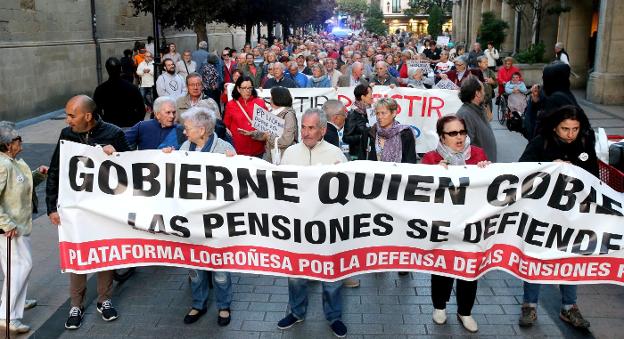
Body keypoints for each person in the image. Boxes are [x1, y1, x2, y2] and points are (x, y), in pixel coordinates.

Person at [46, 95, 129, 330]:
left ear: (88, 116)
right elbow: (56, 170)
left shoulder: (113, 133)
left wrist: (118, 154)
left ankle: (104, 300)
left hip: (105, 208)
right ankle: (76, 304)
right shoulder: (67, 135)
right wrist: (51, 206)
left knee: (104, 252)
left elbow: (133, 168)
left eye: (71, 115)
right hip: (75, 208)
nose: (67, 120)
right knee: (76, 253)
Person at [517, 105, 596, 330]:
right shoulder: (541, 142)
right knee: (536, 257)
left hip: (572, 217)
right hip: (542, 214)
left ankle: (569, 307)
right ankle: (529, 305)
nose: (570, 134)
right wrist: (549, 167)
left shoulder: (583, 144)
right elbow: (522, 169)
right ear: (555, 128)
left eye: (575, 128)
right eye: (565, 129)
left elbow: (593, 178)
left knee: (570, 259)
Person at [277, 108, 348, 337]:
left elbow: (348, 191)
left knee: (331, 276)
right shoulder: (289, 154)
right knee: (296, 274)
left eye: (311, 128)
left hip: (328, 227)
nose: (306, 133)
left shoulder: (336, 154)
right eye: (303, 127)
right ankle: (296, 312)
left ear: (323, 130)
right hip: (297, 227)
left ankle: (334, 316)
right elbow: (278, 188)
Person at [162, 107, 235, 327]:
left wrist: (234, 162)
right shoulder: (185, 147)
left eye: (187, 128)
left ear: (201, 130)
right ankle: (199, 303)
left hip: (217, 220)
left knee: (220, 267)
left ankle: (224, 306)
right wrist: (166, 158)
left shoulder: (225, 149)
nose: (184, 132)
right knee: (195, 264)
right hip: (191, 220)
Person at [421, 115, 490, 334]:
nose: (459, 137)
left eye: (462, 132)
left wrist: (486, 170)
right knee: (442, 267)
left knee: (469, 268)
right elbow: (418, 190)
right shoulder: (431, 158)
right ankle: (439, 307)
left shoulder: (478, 154)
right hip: (443, 225)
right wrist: (433, 174)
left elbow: (491, 186)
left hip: (471, 225)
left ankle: (465, 311)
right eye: (453, 133)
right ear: (442, 137)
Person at [0, 123, 47, 333]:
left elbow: (19, 187)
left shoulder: (13, 162)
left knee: (15, 268)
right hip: (10, 228)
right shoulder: (3, 165)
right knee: (22, 266)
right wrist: (6, 224)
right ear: (8, 145)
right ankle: (7, 316)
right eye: (18, 140)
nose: (22, 143)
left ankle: (16, 301)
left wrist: (38, 174)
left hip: (18, 225)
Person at [245, 86, 298, 164]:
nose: (270, 99)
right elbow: (266, 131)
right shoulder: (272, 112)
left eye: (272, 97)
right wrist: (252, 133)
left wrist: (268, 137)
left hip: (283, 158)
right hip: (270, 156)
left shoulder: (288, 115)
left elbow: (286, 140)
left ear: (278, 98)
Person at [93, 57, 146, 128]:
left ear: (107, 70)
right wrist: (136, 124)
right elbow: (141, 109)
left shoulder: (100, 89)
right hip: (129, 125)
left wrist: (103, 124)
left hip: (110, 126)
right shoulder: (131, 87)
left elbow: (96, 111)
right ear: (120, 69)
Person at [224, 76, 267, 157]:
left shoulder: (260, 102)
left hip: (257, 148)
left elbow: (266, 125)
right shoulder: (231, 105)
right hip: (238, 149)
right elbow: (226, 126)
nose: (247, 91)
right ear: (238, 89)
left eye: (250, 88)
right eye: (244, 88)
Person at [456, 76, 497, 162]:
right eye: (483, 90)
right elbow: (463, 148)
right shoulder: (465, 115)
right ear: (477, 93)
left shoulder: (478, 109)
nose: (484, 93)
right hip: (479, 169)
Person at [367, 97, 417, 163]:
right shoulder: (372, 131)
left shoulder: (405, 133)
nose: (379, 117)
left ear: (393, 113)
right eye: (377, 113)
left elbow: (410, 161)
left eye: (383, 113)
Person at [344, 84, 373, 160]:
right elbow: (346, 138)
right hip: (357, 157)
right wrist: (362, 137)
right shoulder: (352, 115)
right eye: (370, 94)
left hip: (369, 154)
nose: (372, 96)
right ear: (363, 97)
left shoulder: (370, 112)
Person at [477, 56, 497, 121]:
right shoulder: (475, 71)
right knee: (478, 119)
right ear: (479, 63)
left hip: (488, 100)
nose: (486, 63)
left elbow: (496, 84)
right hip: (478, 100)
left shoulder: (490, 72)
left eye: (487, 62)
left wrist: (492, 82)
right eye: (484, 62)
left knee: (488, 119)